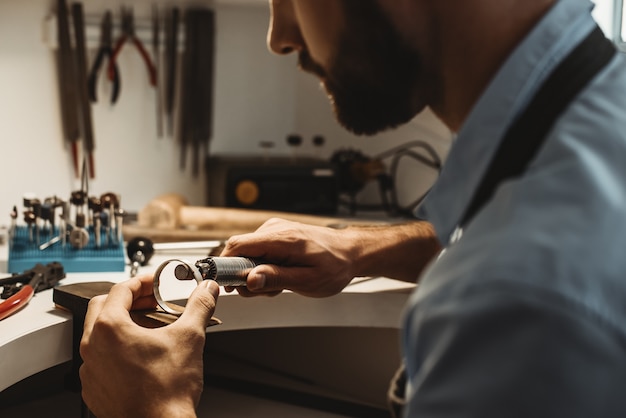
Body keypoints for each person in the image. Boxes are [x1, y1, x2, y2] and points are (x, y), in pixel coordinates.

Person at [79, 0, 626, 417]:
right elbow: (499, 228)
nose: (279, 37)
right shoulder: (598, 117)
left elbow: (514, 264)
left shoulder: (517, 299)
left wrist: (154, 406)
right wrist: (361, 249)